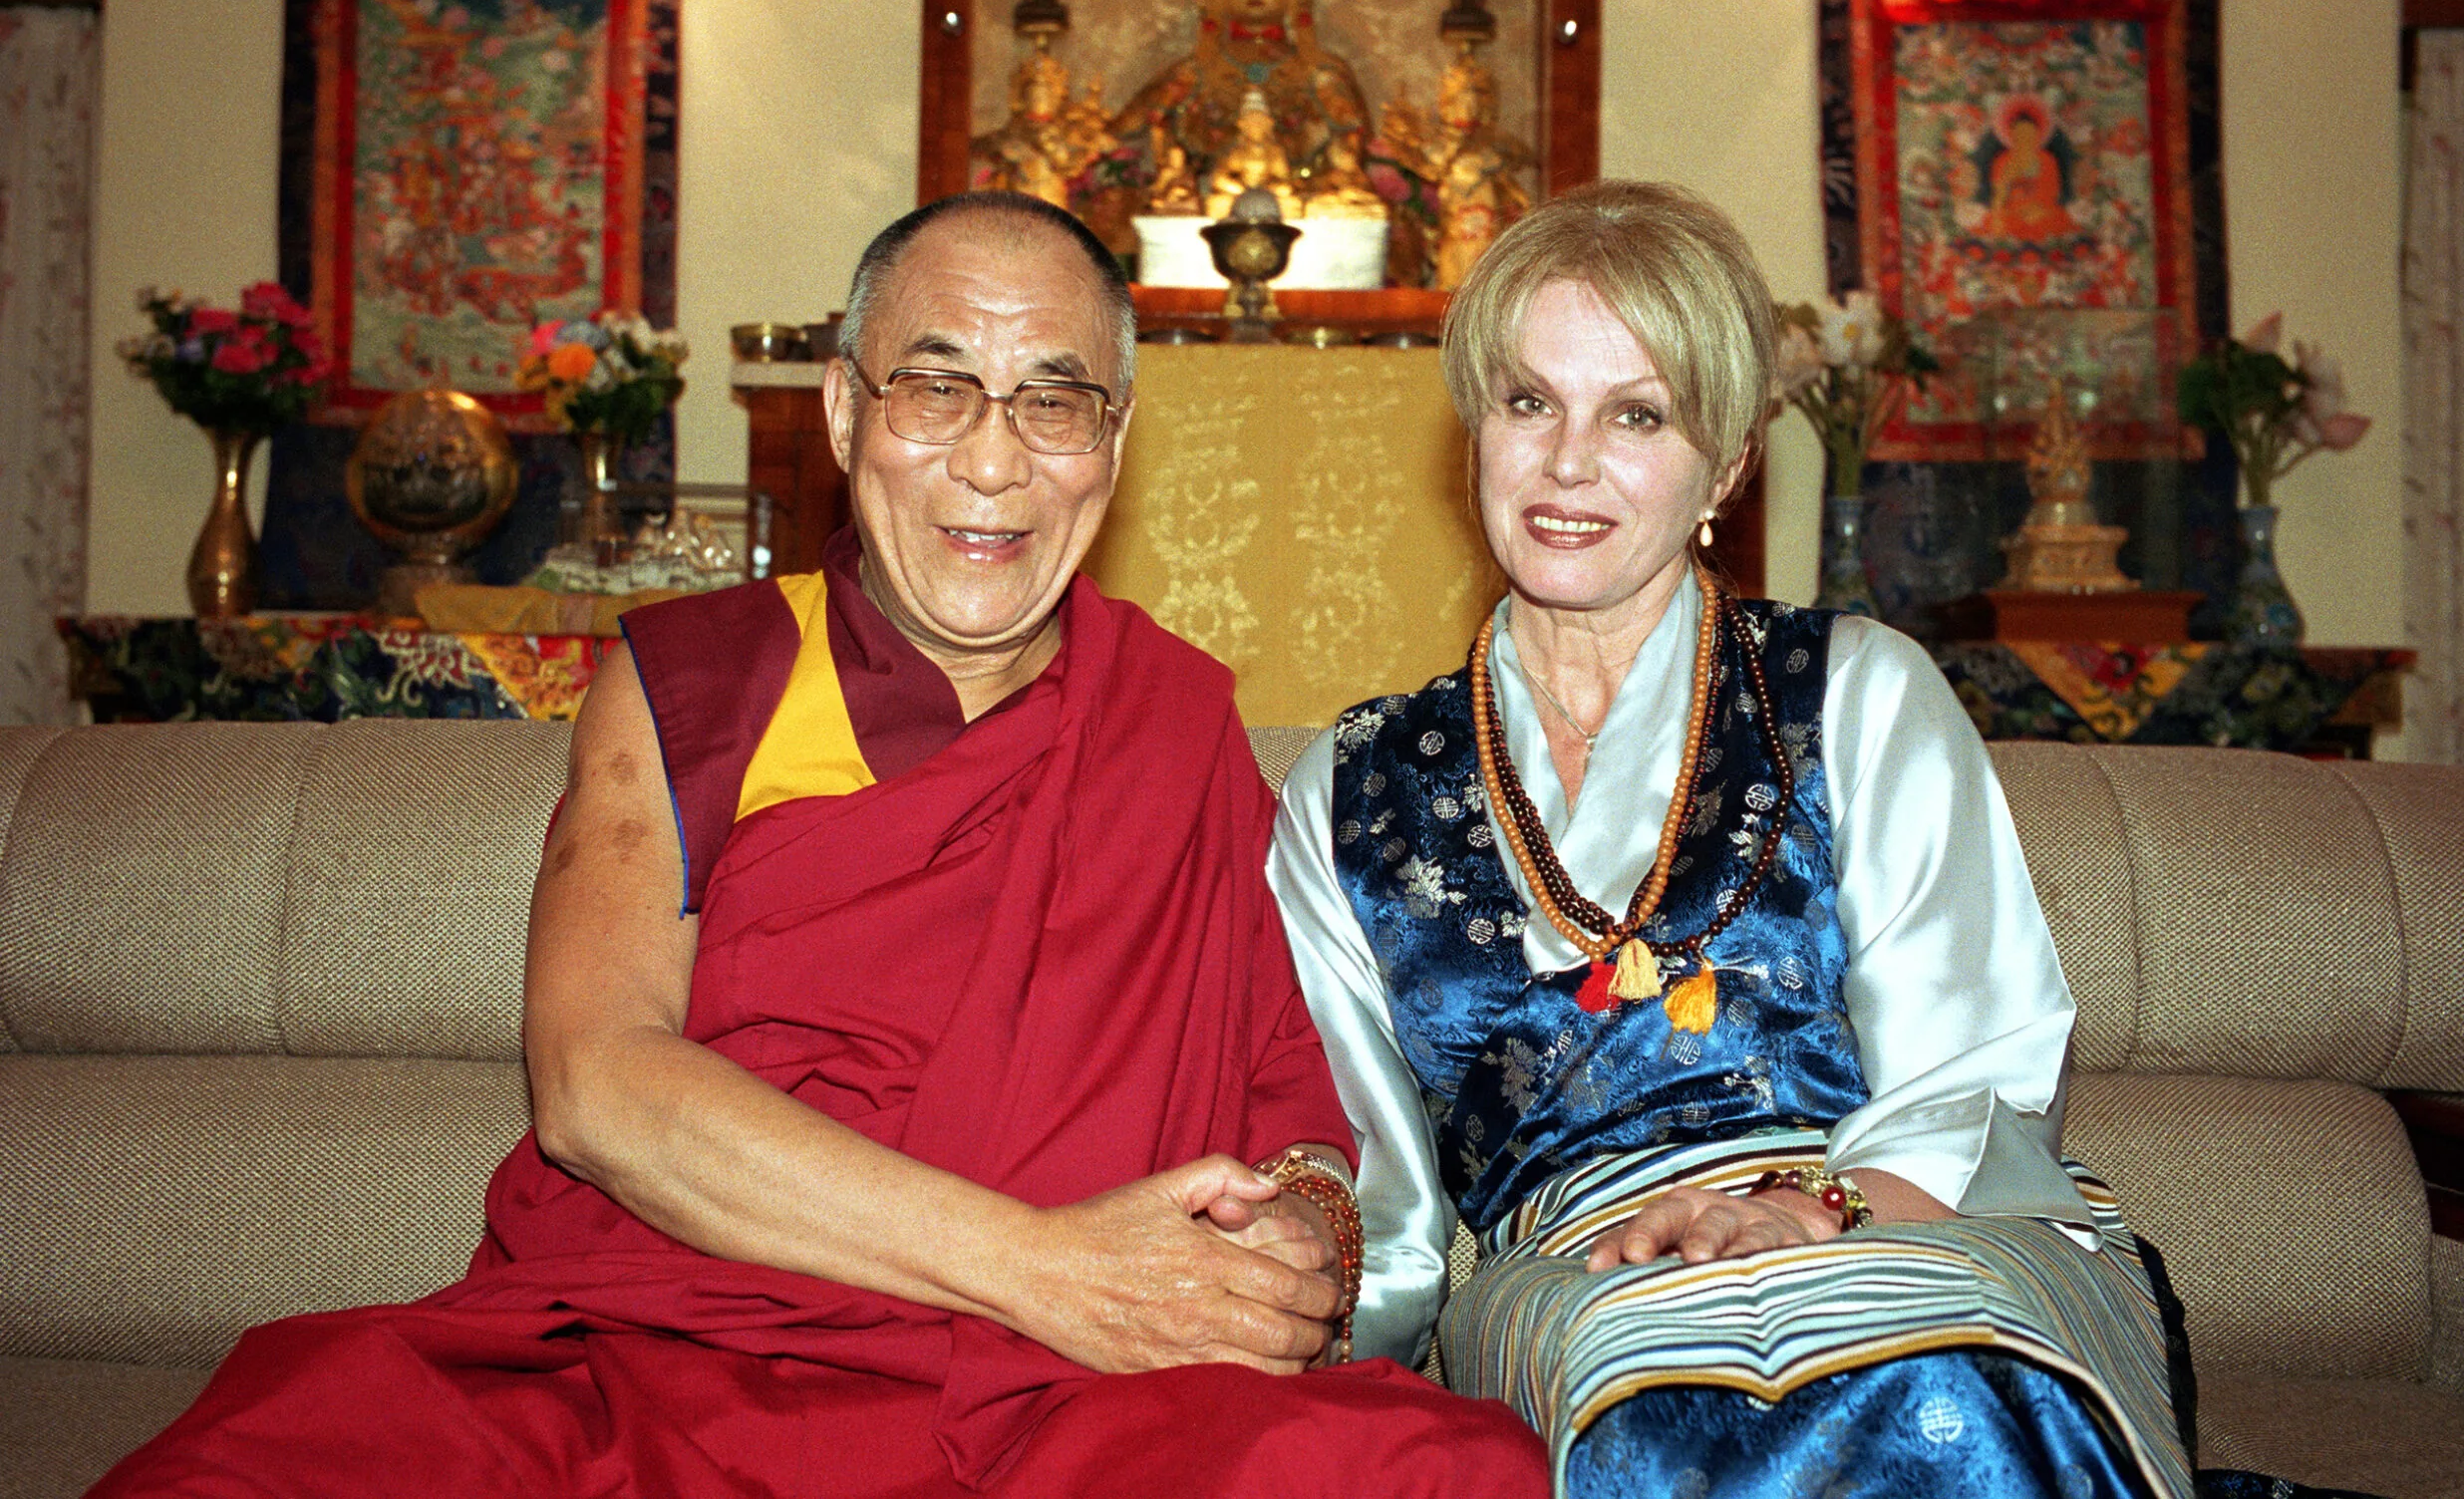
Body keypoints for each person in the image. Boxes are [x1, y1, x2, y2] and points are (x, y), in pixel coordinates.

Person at [94, 192, 1549, 1499]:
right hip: (672, 1363)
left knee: (1432, 1471)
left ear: (1111, 443)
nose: (994, 460)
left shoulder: (1170, 731)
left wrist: (1294, 1247)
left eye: (1054, 402)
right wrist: (1050, 1268)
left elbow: (1290, 1101)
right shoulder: (704, 681)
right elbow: (596, 1084)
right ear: (848, 417)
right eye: (936, 387)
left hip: (1072, 1410)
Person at [1265, 181, 2195, 1499]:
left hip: (1901, 1223)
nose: (1567, 460)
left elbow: (1976, 1069)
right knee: (1666, 1403)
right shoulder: (1348, 793)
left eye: (1635, 415)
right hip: (1590, 1276)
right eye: (1530, 401)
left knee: (1950, 1381)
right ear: (1476, 425)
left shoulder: (1856, 692)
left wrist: (1805, 1210)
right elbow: (1386, 1216)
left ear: (1730, 462)